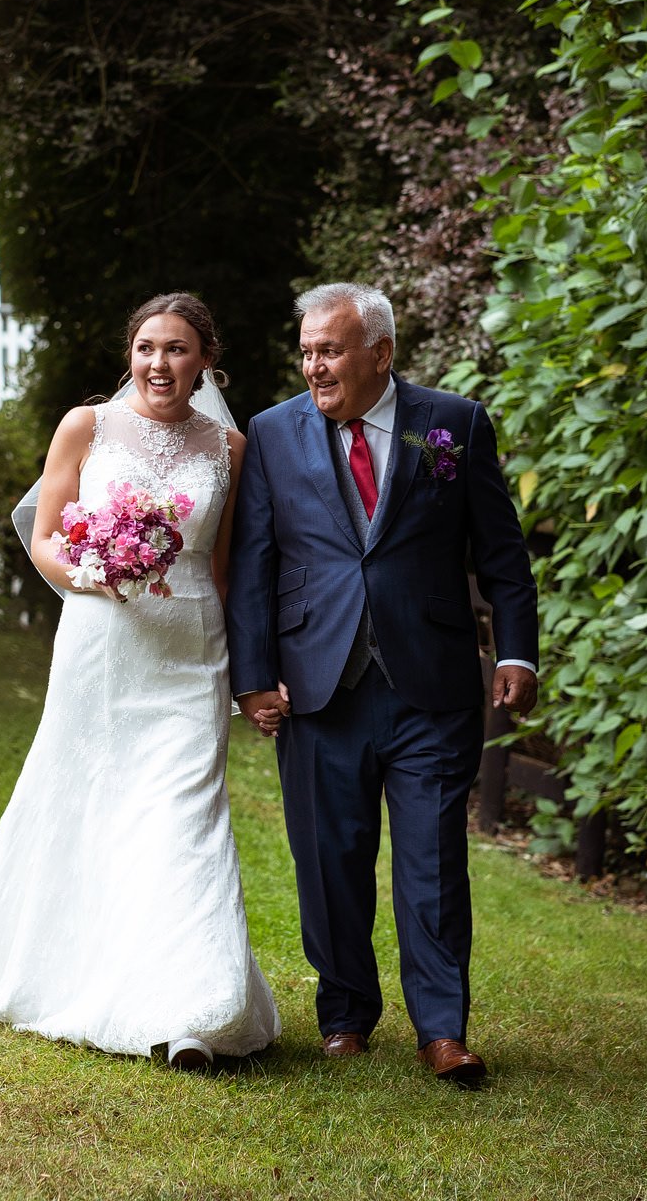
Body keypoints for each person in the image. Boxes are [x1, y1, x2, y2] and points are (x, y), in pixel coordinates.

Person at [0, 293, 280, 1071]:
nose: (159, 364)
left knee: (185, 816)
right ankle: (87, 973)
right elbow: (42, 539)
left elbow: (229, 569)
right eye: (146, 349)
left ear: (206, 361)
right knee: (88, 798)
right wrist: (94, 572)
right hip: (101, 646)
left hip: (191, 650)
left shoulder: (230, 449)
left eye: (177, 350)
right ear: (130, 354)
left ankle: (194, 1010)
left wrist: (249, 676)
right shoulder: (85, 427)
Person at [229, 282, 538, 1087]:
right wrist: (254, 677)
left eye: (328, 350)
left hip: (430, 684)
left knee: (434, 858)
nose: (313, 366)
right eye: (305, 352)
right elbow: (255, 563)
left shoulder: (453, 424)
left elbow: (501, 553)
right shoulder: (270, 433)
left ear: (381, 353)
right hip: (316, 686)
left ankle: (443, 1030)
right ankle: (345, 1016)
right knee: (329, 858)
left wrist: (517, 653)